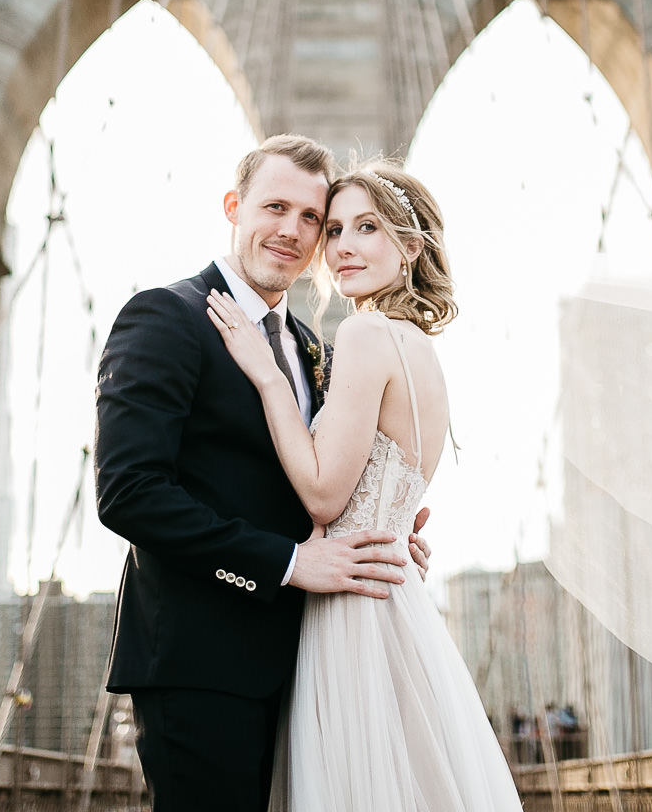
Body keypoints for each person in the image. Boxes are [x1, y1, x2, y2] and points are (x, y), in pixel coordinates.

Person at [92, 135, 432, 811]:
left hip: (313, 664)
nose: (293, 231)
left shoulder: (315, 347)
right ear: (233, 207)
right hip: (202, 670)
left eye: (313, 218)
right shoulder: (166, 317)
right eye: (275, 207)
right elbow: (129, 494)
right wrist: (286, 562)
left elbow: (316, 483)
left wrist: (381, 531)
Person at [206, 161, 523, 810]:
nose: (344, 245)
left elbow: (324, 495)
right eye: (336, 228)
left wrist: (266, 375)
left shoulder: (363, 333)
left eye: (369, 227)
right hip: (397, 601)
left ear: (410, 247)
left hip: (350, 607)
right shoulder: (421, 348)